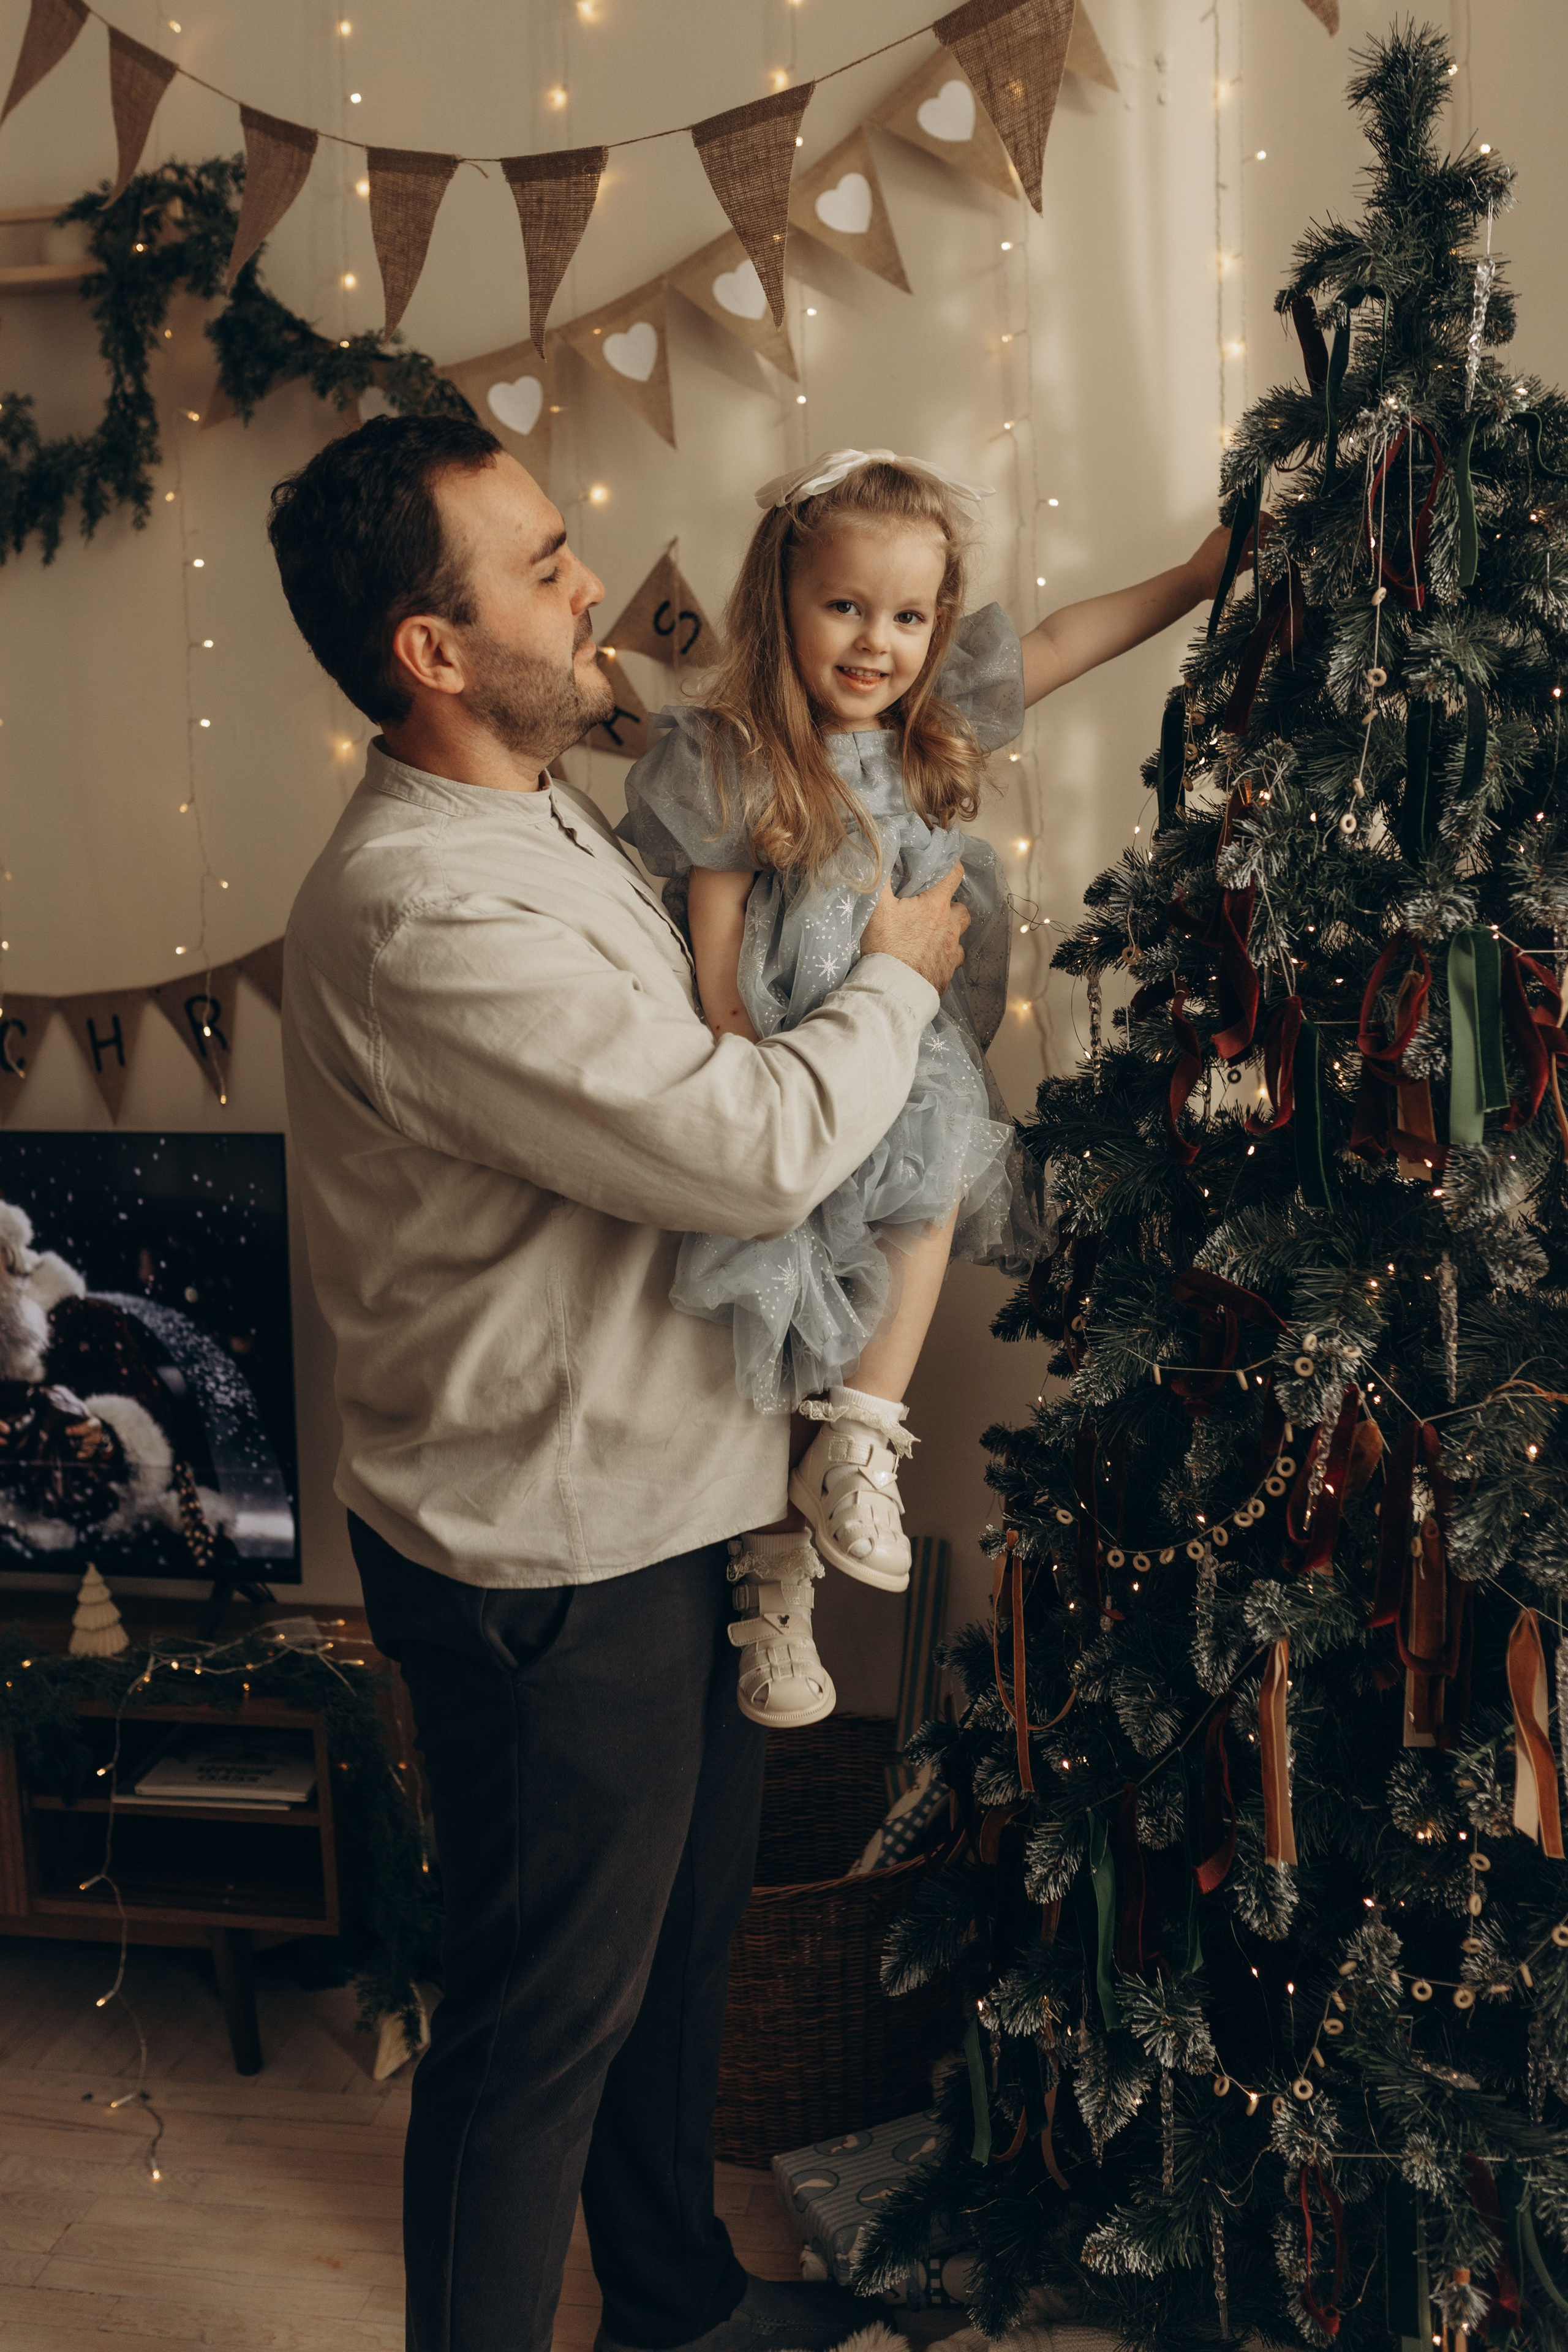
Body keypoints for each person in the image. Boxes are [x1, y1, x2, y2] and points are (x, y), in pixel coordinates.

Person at [270, 412, 977, 2352]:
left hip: (679, 1504)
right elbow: (746, 1143)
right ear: (433, 648)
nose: (594, 583)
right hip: (546, 1556)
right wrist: (903, 972)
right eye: (547, 559)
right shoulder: (426, 909)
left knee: (676, 1969)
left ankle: (670, 2302)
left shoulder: (549, 800)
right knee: (539, 2026)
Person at [619, 448, 1234, 1730]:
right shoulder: (731, 755)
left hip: (903, 1047)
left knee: (941, 1161)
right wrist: (739, 1056)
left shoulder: (932, 732)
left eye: (908, 617)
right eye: (845, 607)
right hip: (790, 1061)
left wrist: (1192, 576)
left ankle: (864, 1439)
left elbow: (1068, 634)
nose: (875, 643)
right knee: (775, 1324)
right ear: (779, 597)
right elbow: (715, 940)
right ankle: (772, 1581)